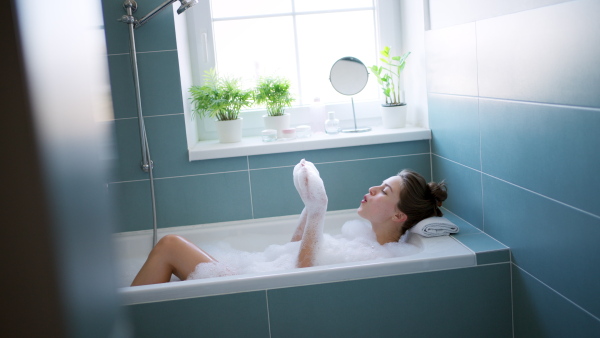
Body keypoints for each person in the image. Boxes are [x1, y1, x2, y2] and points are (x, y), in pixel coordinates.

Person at [130, 159, 447, 286]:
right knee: (170, 246)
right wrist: (309, 205)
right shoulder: (361, 241)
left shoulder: (375, 258)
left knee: (170, 245)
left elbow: (303, 274)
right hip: (255, 276)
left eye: (385, 191)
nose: (372, 189)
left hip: (250, 287)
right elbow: (297, 251)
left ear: (399, 216)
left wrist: (319, 207)